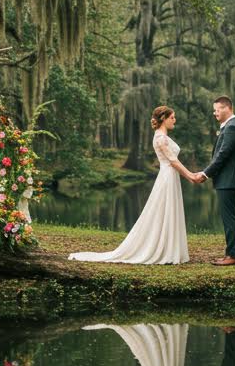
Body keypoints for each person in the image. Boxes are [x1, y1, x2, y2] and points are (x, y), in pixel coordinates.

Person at [68, 106, 197, 264]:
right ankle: (163, 249)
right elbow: (173, 161)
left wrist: (190, 175)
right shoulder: (161, 138)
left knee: (166, 211)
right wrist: (190, 175)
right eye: (172, 117)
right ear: (164, 118)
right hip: (167, 177)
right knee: (162, 211)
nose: (174, 120)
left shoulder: (161, 136)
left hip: (170, 176)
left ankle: (169, 248)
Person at [191, 96, 235, 266]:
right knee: (228, 217)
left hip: (229, 179)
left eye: (217, 109)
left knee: (229, 218)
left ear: (226, 108)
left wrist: (205, 174)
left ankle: (233, 255)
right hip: (226, 179)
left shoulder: (232, 127)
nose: (214, 113)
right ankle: (231, 253)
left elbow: (222, 155)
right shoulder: (229, 127)